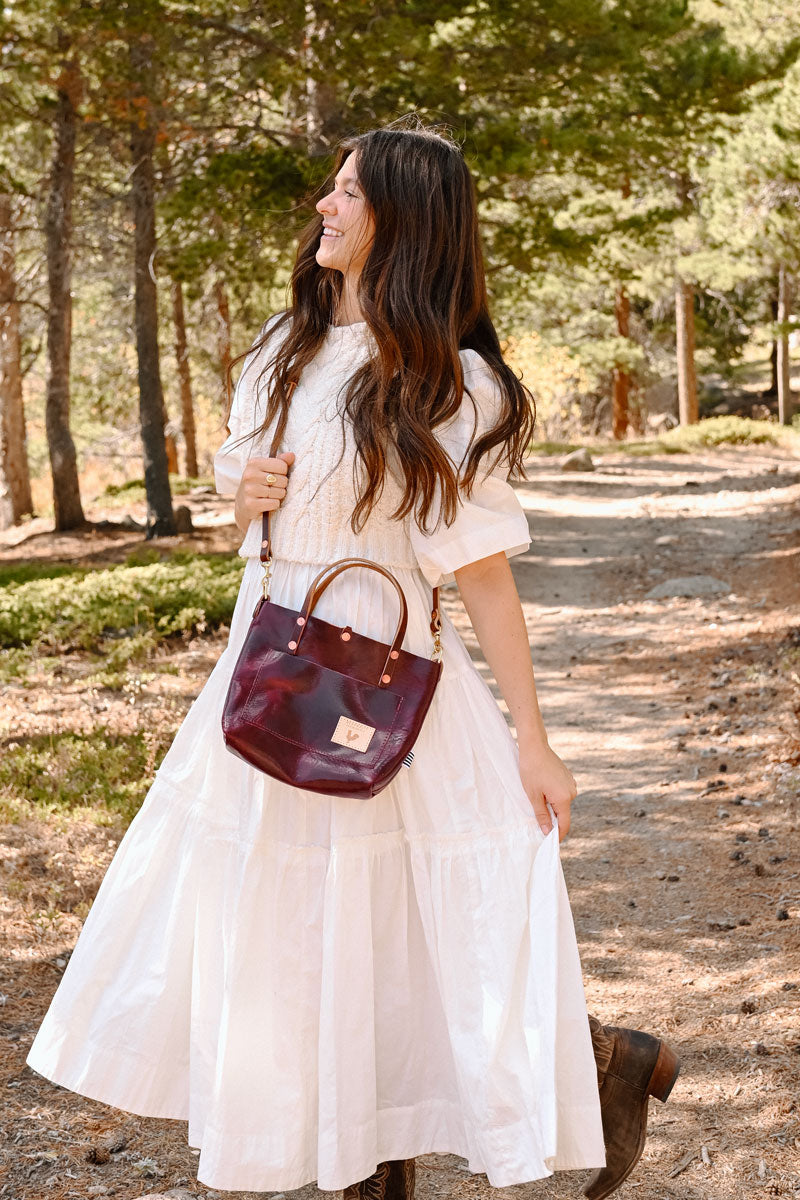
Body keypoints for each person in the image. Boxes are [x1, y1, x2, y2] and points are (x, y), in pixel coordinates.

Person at [25, 120, 678, 1200]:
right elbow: (260, 527)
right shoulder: (280, 352)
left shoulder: (451, 386)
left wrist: (535, 742)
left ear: (403, 221)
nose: (323, 207)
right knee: (306, 947)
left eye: (347, 193)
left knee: (395, 943)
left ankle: (594, 1062)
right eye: (327, 190)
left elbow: (479, 578)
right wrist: (239, 500)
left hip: (389, 698)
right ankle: (602, 1062)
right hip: (270, 681)